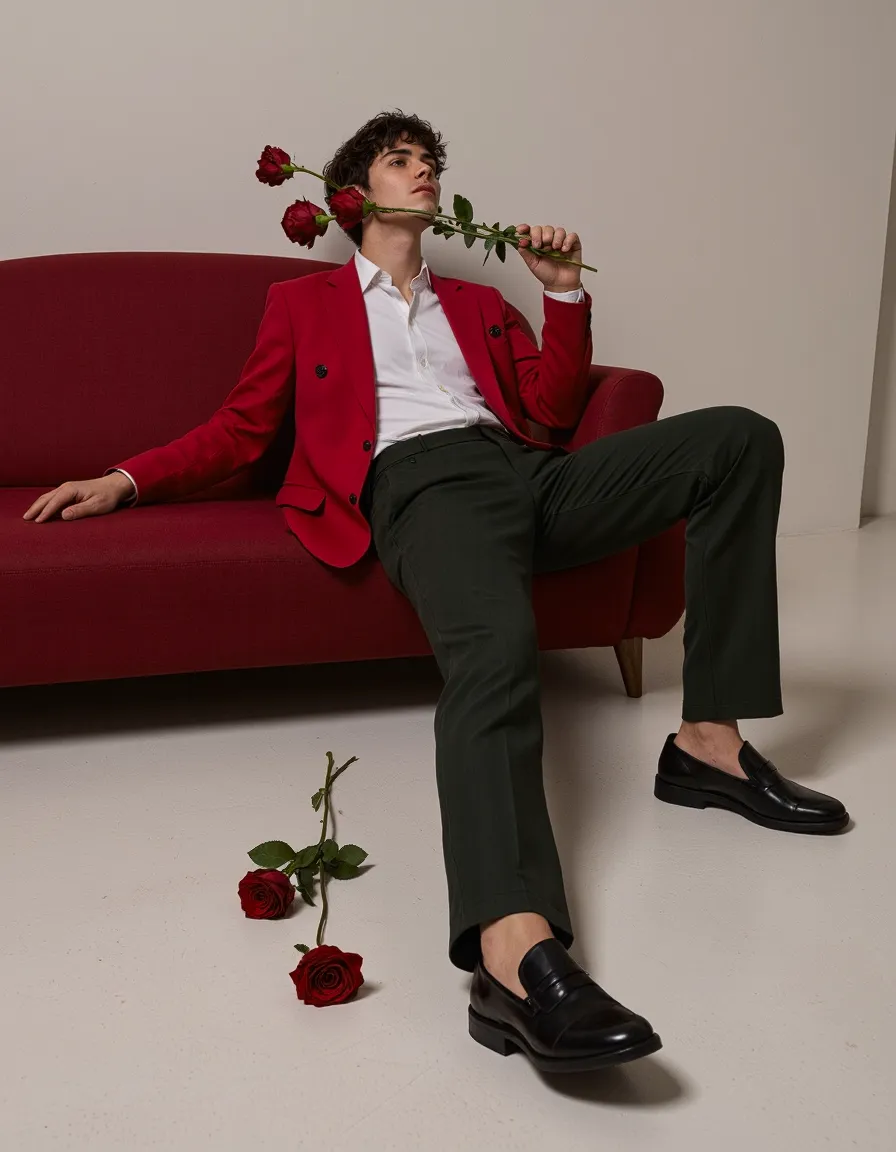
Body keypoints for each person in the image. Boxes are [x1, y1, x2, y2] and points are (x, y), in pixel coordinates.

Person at [23, 111, 849, 1074]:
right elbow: (241, 432)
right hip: (424, 483)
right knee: (496, 652)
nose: (424, 174)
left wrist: (565, 296)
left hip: (528, 477)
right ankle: (511, 952)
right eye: (401, 162)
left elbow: (548, 408)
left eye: (431, 164)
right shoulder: (304, 305)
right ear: (352, 195)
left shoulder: (475, 302)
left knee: (740, 435)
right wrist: (125, 478)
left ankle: (708, 745)